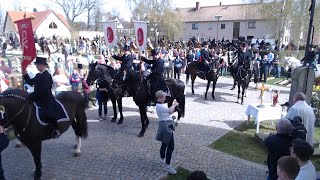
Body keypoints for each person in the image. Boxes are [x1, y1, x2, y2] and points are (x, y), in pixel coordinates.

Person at [22, 57, 60, 138]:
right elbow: (31, 82)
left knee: (49, 113)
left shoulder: (47, 76)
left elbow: (43, 91)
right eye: (36, 65)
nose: (36, 66)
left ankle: (55, 129)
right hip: (37, 97)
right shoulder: (38, 75)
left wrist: (32, 96)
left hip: (46, 99)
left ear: (42, 65)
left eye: (38, 65)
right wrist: (25, 73)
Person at [155, 90, 179, 175]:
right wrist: (174, 104)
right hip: (166, 126)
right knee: (171, 146)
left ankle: (162, 161)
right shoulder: (160, 106)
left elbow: (169, 112)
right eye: (164, 97)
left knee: (164, 144)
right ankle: (167, 166)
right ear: (160, 98)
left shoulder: (160, 105)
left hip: (165, 125)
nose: (165, 98)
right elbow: (169, 111)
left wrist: (175, 109)